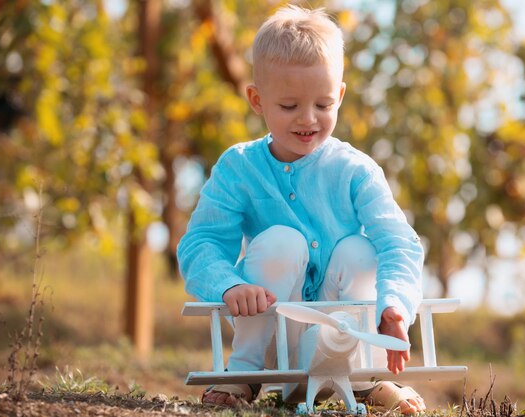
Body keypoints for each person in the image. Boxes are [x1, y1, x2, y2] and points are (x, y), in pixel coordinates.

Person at [177, 5, 426, 414]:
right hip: (275, 327)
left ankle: (369, 374)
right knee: (281, 240)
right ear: (257, 101)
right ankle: (244, 371)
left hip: (343, 335)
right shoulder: (239, 167)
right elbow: (201, 242)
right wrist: (228, 285)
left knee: (360, 249)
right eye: (289, 106)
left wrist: (394, 304)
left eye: (324, 105)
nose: (308, 119)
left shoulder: (355, 170)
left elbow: (399, 242)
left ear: (340, 95)